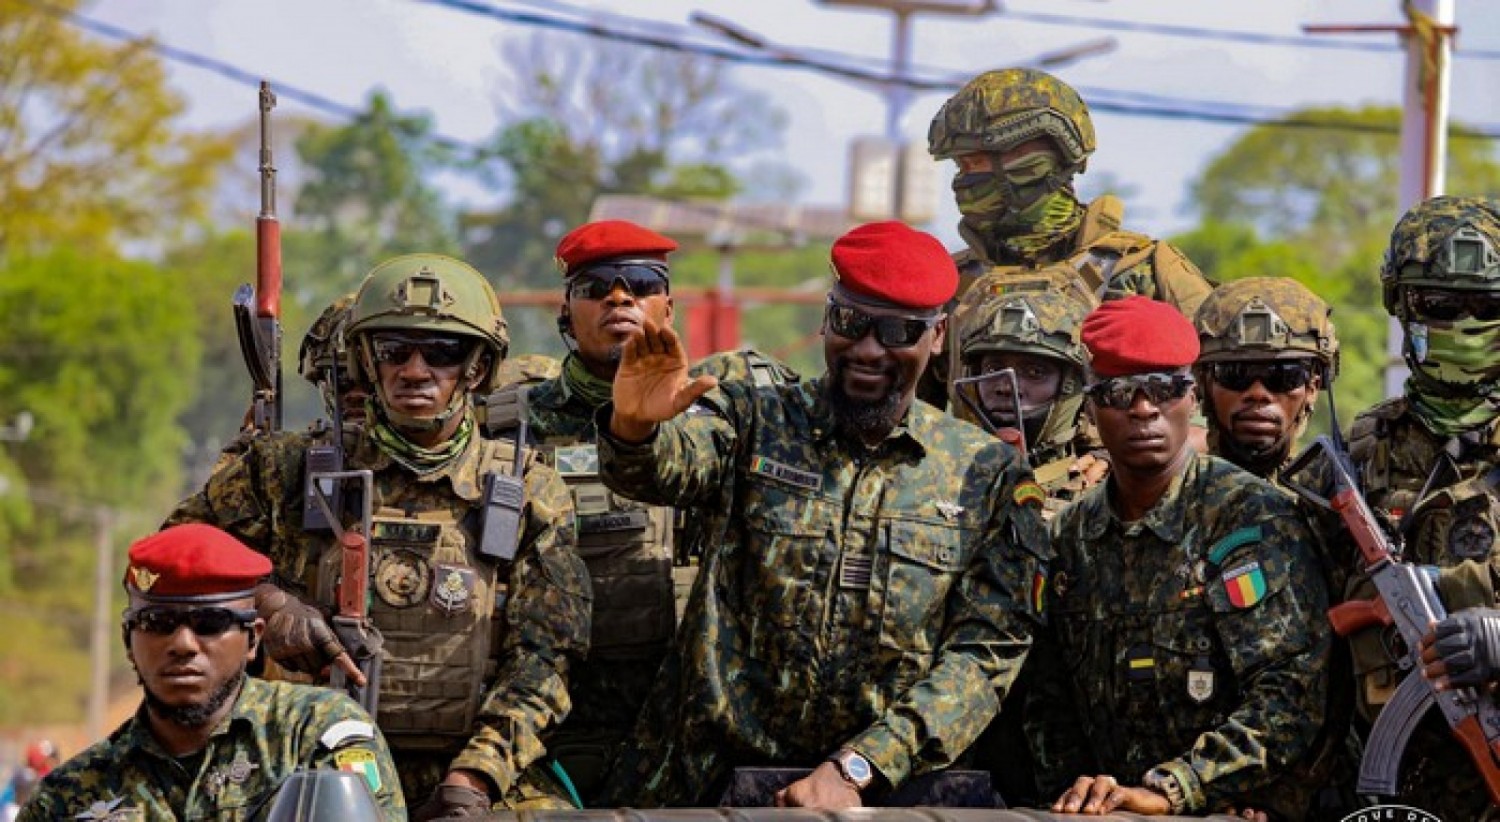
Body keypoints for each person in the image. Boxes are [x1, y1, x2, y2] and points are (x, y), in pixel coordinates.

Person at [595, 221, 1050, 808]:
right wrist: (635, 426)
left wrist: (861, 765)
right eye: (850, 322)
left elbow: (986, 654)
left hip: (888, 792)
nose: (866, 350)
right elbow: (660, 470)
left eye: (896, 332)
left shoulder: (983, 474)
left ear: (937, 337)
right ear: (826, 317)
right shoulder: (752, 417)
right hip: (710, 781)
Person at [165, 253, 593, 817]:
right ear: (367, 361)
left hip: (473, 768)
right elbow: (170, 558)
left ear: (477, 368)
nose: (415, 371)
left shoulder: (527, 488)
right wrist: (265, 601)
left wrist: (479, 774)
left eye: (441, 353)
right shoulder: (285, 471)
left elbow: (548, 657)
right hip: (304, 764)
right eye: (395, 351)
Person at [1027, 297, 1330, 819]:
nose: (1143, 409)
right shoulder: (1072, 536)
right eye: (1120, 392)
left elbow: (1290, 696)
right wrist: (1081, 793)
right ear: (1091, 408)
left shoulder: (1251, 517)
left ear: (1190, 397)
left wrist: (1179, 789)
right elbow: (1047, 703)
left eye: (1163, 390)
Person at [481, 219, 690, 804]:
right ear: (566, 311)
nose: (618, 298)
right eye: (596, 286)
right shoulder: (506, 425)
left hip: (681, 726)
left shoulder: (709, 423)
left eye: (640, 283)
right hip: (540, 729)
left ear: (668, 307)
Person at [17, 524, 404, 821]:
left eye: (209, 622)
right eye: (158, 622)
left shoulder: (314, 737)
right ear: (128, 640)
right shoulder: (68, 797)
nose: (183, 643)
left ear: (253, 640)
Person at [1330, 196, 1500, 820]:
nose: (1464, 324)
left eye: (1488, 309)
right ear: (1400, 305)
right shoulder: (1363, 448)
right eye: (1439, 305)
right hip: (1381, 792)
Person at [920, 67, 1214, 407]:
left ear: (1041, 160)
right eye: (961, 166)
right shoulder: (950, 285)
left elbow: (1223, 387)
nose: (964, 181)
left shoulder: (1145, 272)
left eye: (978, 162)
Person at [1193, 277, 1338, 482]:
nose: (1258, 393)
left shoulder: (1332, 497)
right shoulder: (1165, 493)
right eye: (1235, 373)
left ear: (1312, 388)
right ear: (1204, 384)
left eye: (1283, 376)